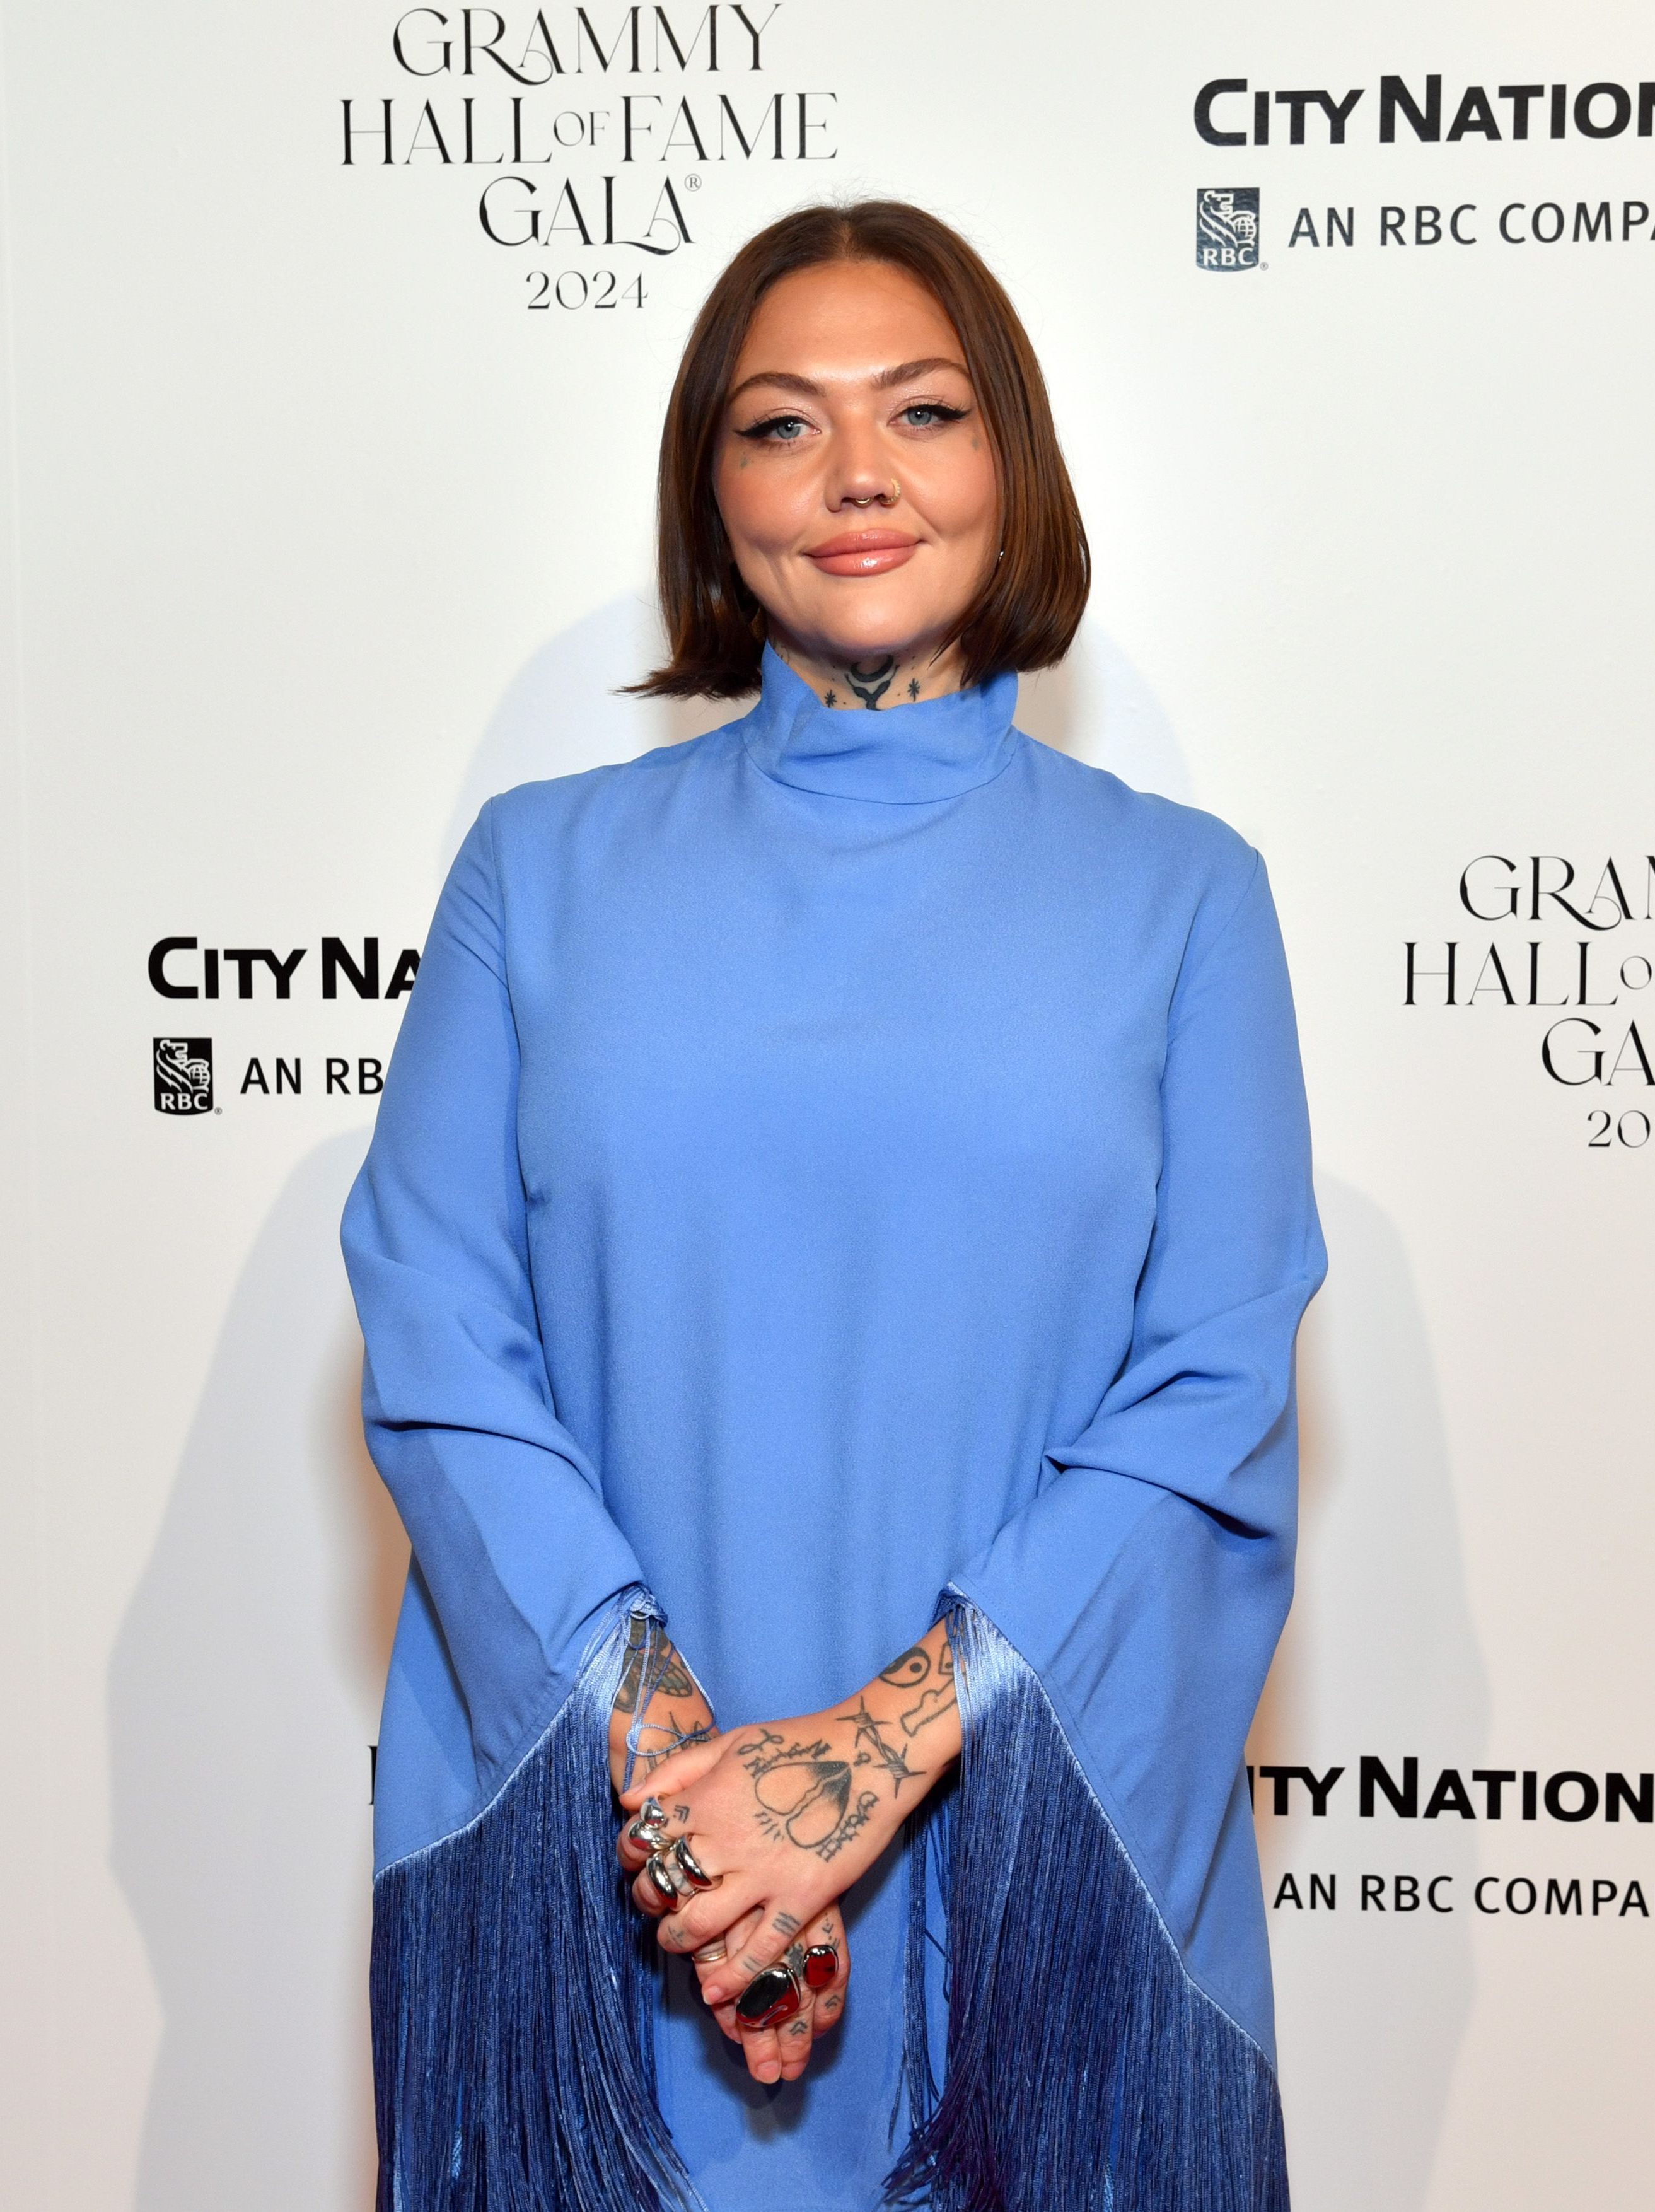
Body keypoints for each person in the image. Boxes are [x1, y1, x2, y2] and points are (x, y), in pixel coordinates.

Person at [342, 199, 1325, 2212]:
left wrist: (860, 1762)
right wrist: (700, 1805)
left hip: (1023, 1880)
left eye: (924, 412)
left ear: (1012, 465)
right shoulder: (536, 872)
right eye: (781, 425)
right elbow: (439, 1329)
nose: (858, 474)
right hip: (619, 1882)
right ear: (709, 499)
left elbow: (1210, 1378)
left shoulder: (1185, 894)